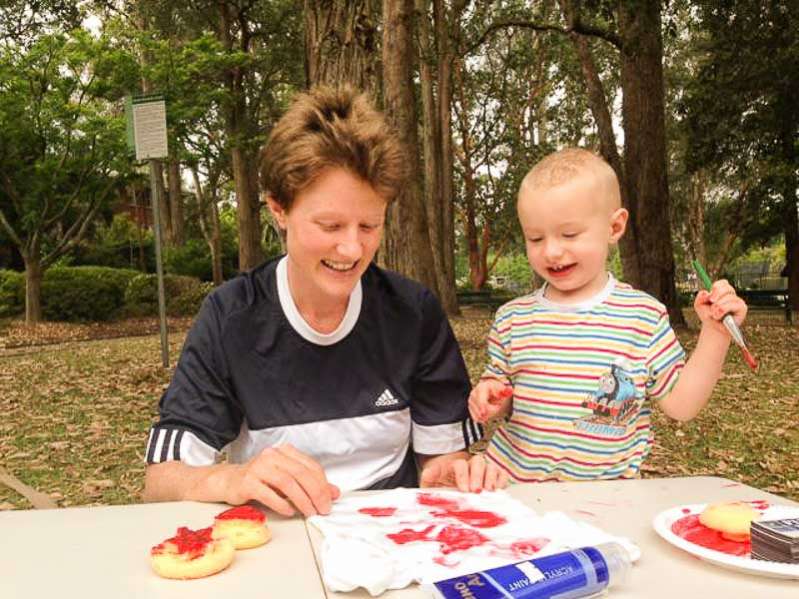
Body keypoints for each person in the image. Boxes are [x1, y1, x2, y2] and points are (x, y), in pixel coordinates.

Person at [143, 86, 507, 517]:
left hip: (396, 536)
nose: (352, 249)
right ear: (279, 209)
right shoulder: (230, 318)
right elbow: (160, 481)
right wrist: (232, 478)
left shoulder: (414, 313)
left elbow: (440, 460)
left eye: (369, 225)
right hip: (277, 541)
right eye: (330, 225)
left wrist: (448, 474)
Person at [468, 147, 748, 482]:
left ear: (614, 227)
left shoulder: (643, 317)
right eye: (535, 238)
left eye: (569, 234)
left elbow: (681, 406)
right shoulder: (512, 319)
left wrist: (716, 335)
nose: (552, 251)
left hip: (606, 501)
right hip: (516, 492)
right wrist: (491, 398)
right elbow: (502, 393)